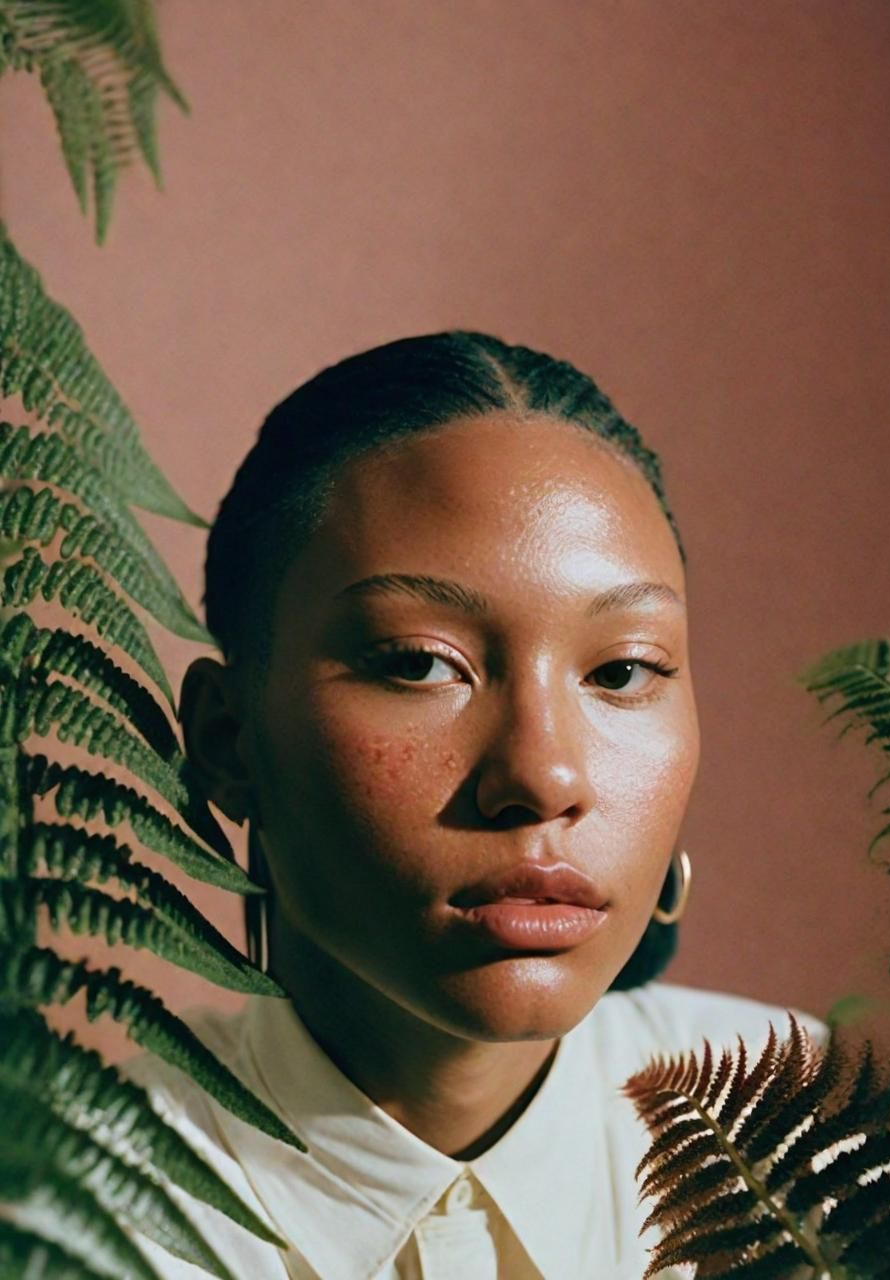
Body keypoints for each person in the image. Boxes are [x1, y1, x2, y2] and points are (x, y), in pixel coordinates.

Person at [128, 330, 823, 1279]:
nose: (542, 776)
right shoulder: (68, 1205)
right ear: (225, 740)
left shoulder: (823, 1143)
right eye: (419, 664)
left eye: (622, 670)